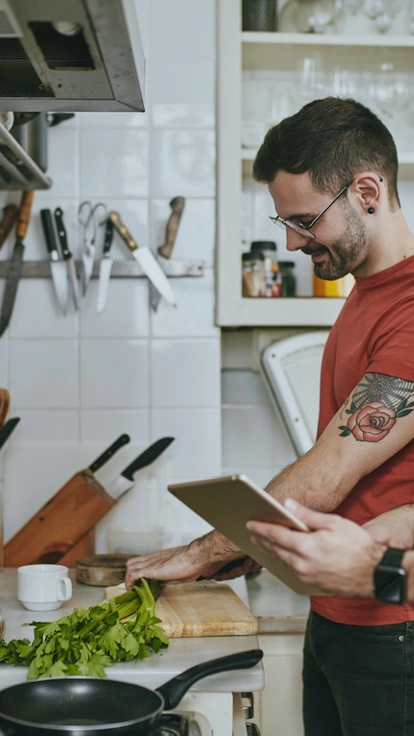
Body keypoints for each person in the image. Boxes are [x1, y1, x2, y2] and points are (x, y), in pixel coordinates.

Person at [126, 97, 414, 735]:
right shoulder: (367, 295)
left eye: (305, 220)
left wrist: (203, 549)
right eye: (283, 222)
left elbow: (329, 474)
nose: (290, 242)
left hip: (395, 632)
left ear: (367, 191)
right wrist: (256, 549)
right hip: (336, 617)